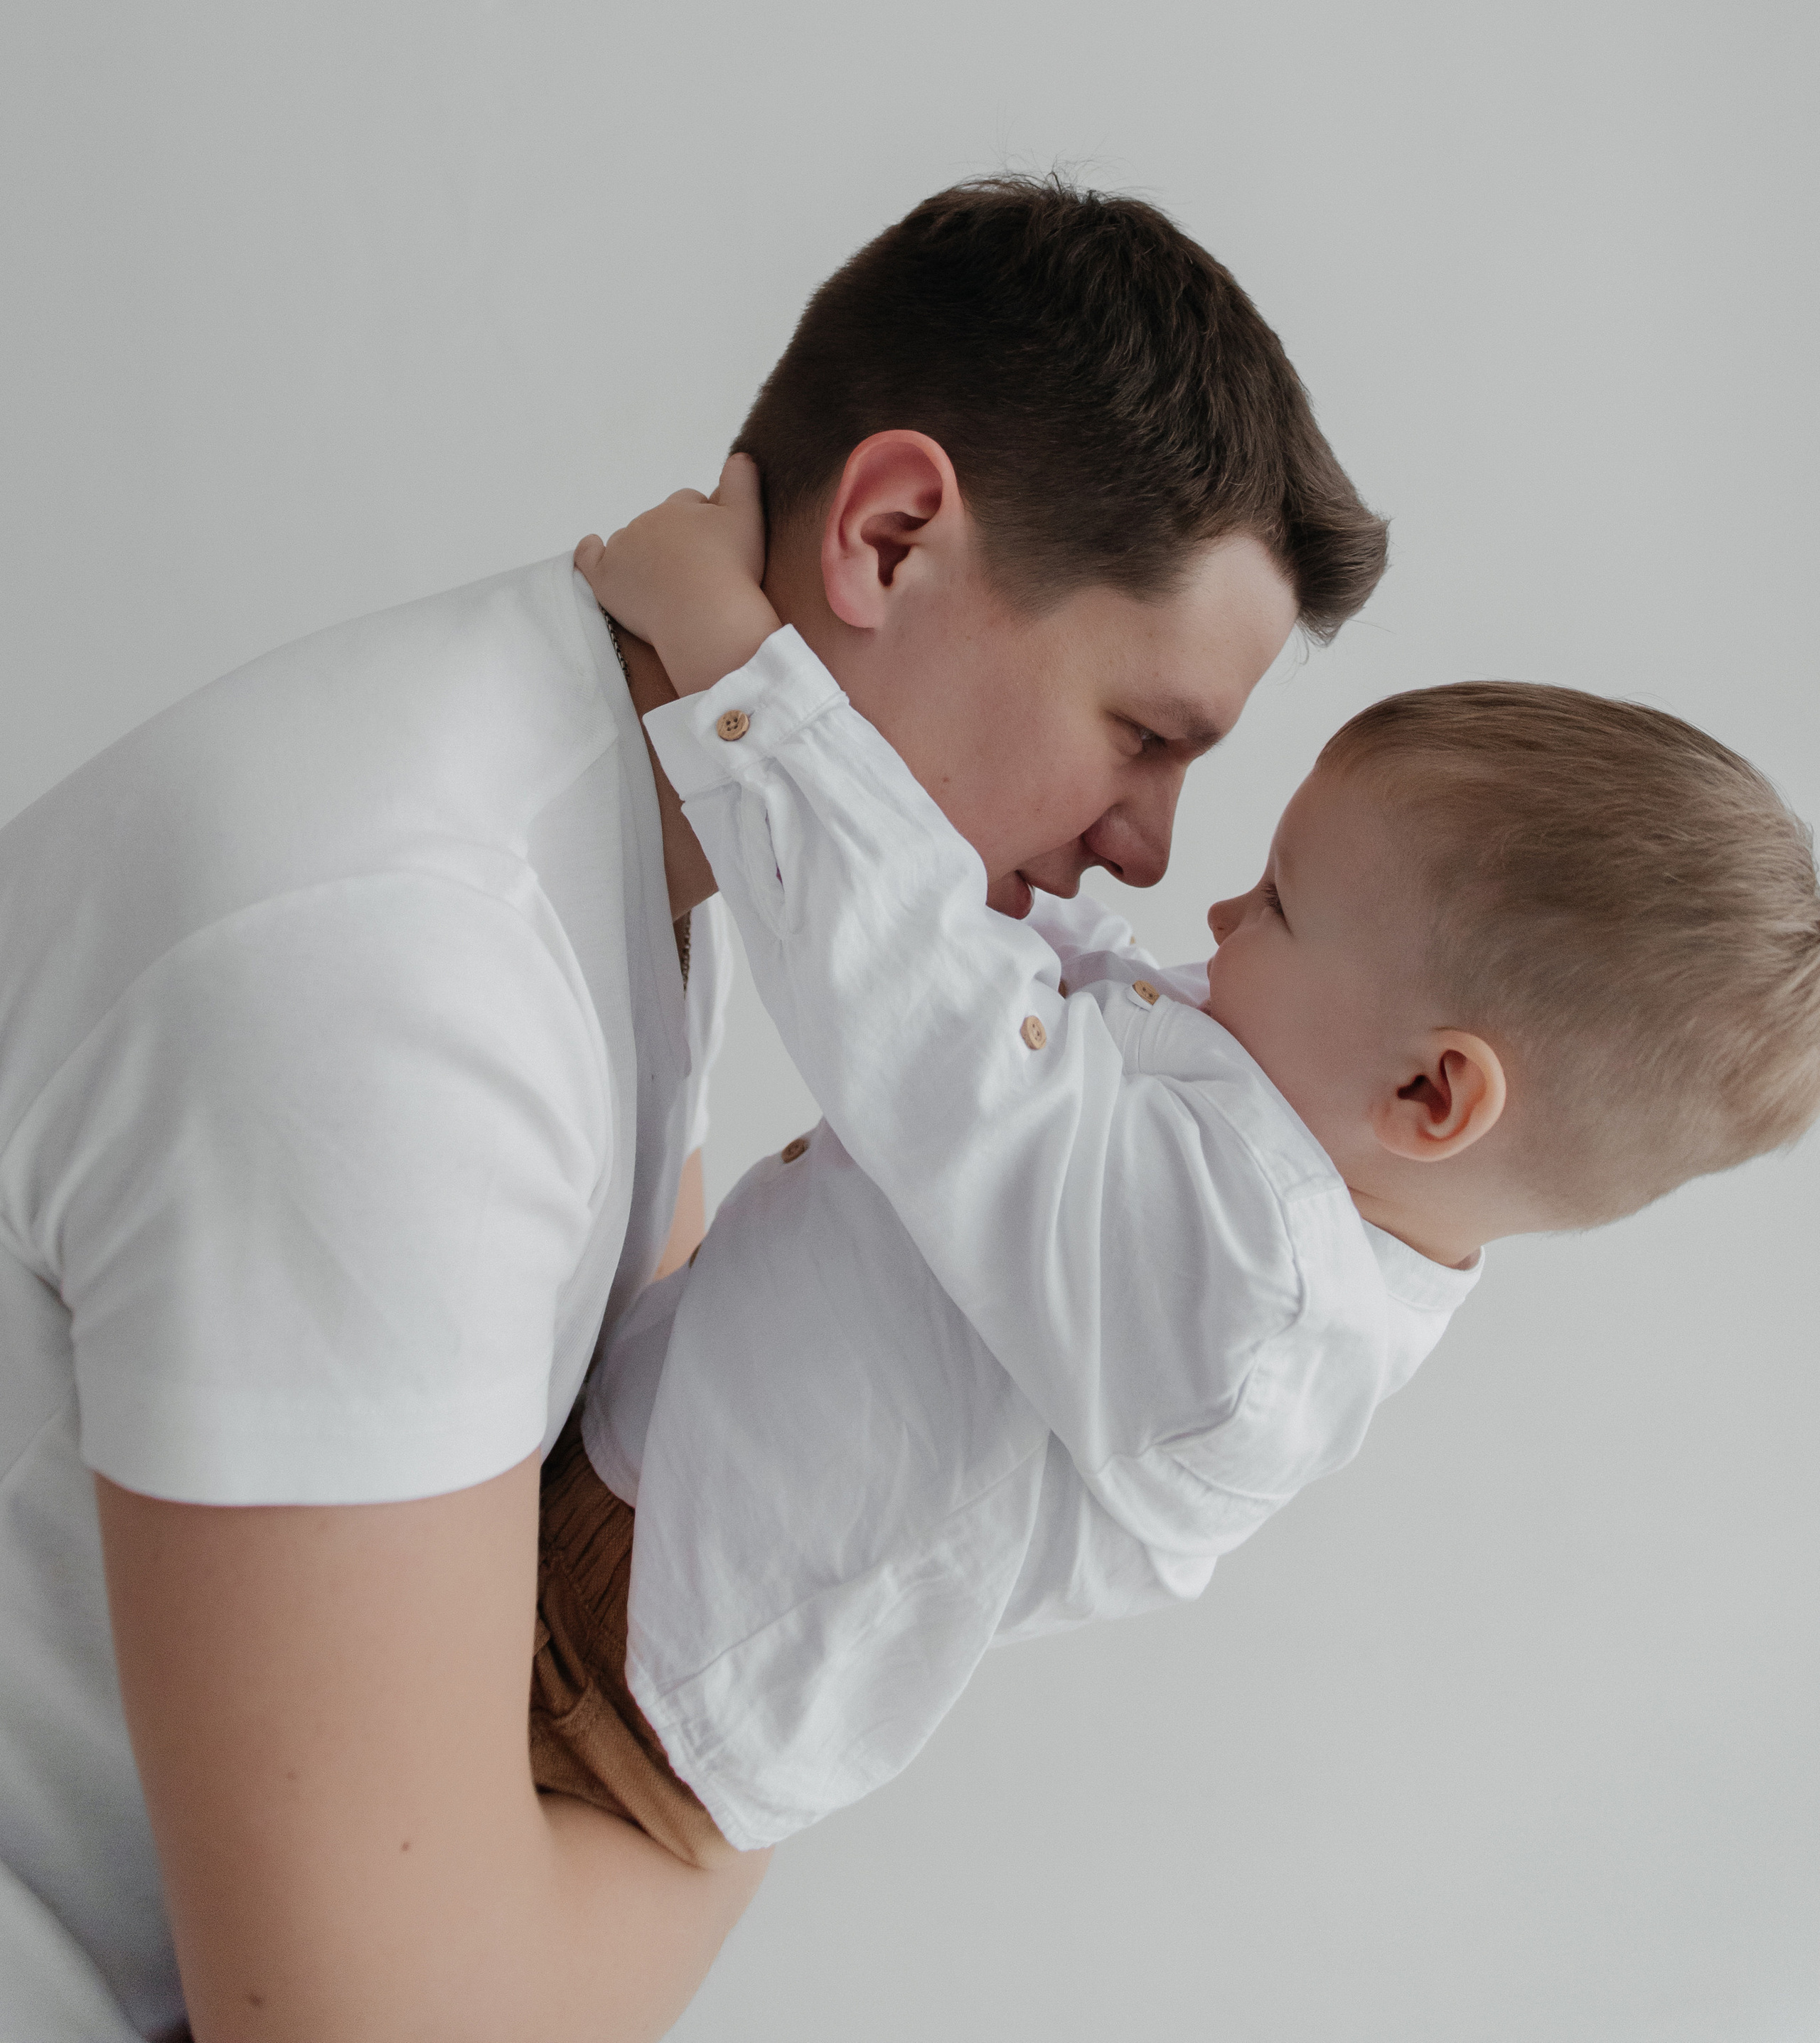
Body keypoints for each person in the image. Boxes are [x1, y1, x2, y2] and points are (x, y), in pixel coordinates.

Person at [0, 179, 1386, 2039]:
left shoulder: (617, 835)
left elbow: (633, 1452)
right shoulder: (400, 972)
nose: (1145, 854)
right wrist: (863, 1597)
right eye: (1145, 736)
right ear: (887, 539)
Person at [520, 473, 1820, 1862]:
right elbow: (1087, 1014)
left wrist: (735, 664)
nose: (1208, 906)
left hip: (629, 1643)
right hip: (653, 1488)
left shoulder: (1243, 1287)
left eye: (1275, 904)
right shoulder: (1277, 1149)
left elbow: (934, 1023)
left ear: (1429, 1092)